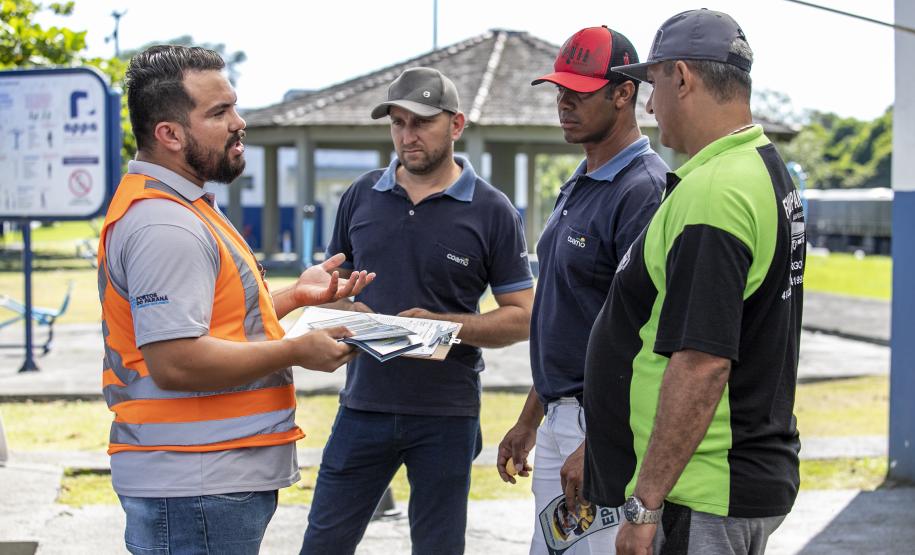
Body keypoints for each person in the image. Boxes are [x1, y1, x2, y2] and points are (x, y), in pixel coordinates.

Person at [98, 44, 374, 554]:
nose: (238, 122)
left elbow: (211, 321)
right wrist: (298, 349)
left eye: (234, 106)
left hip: (204, 481)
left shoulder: (185, 207)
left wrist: (293, 297)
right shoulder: (165, 223)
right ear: (170, 134)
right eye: (219, 112)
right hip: (194, 483)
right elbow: (177, 361)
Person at [582, 9, 805, 555]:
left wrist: (645, 504)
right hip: (730, 476)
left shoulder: (715, 192)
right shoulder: (763, 166)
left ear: (681, 77)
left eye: (653, 85)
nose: (651, 106)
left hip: (701, 490)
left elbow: (702, 361)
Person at [300, 66, 535, 554]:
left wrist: (447, 326)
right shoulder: (361, 195)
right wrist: (344, 302)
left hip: (446, 414)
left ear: (456, 125)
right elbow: (332, 284)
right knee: (323, 545)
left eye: (422, 122)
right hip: (363, 406)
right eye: (398, 122)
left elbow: (523, 314)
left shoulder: (493, 211)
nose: (408, 136)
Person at [496, 26, 667, 554]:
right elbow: (565, 317)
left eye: (579, 91)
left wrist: (602, 444)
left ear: (624, 93)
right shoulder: (582, 178)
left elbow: (643, 334)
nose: (563, 102)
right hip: (561, 416)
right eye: (558, 89)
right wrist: (531, 418)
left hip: (603, 425)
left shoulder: (642, 189)